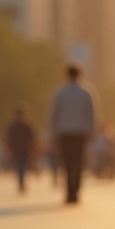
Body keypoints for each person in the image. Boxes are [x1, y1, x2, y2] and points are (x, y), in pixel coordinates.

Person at [49, 64, 100, 204]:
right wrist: (92, 131)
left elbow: (54, 115)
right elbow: (91, 114)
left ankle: (69, 191)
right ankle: (75, 190)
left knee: (67, 163)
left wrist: (53, 133)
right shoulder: (86, 92)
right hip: (80, 133)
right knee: (78, 162)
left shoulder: (59, 93)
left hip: (64, 132)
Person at [5, 104, 37, 194]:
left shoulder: (15, 126)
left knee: (20, 167)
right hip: (21, 150)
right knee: (21, 167)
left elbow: (9, 139)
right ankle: (21, 182)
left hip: (20, 150)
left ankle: (21, 182)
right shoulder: (26, 126)